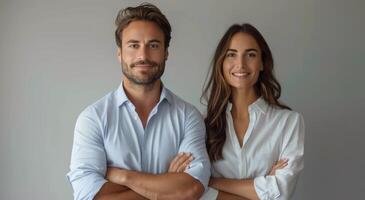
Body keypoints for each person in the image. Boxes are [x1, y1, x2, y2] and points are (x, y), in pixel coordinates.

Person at [66, 3, 210, 200]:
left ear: (166, 52)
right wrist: (167, 184)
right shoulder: (93, 119)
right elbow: (88, 195)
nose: (143, 56)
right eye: (134, 45)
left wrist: (122, 176)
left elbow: (191, 190)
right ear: (120, 53)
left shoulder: (188, 117)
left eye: (153, 45)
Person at [201, 23, 305, 200]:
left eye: (250, 55)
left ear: (262, 63)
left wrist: (212, 181)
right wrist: (262, 185)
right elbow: (195, 191)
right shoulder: (203, 125)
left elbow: (280, 192)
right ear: (222, 63)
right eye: (231, 55)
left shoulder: (289, 122)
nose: (240, 64)